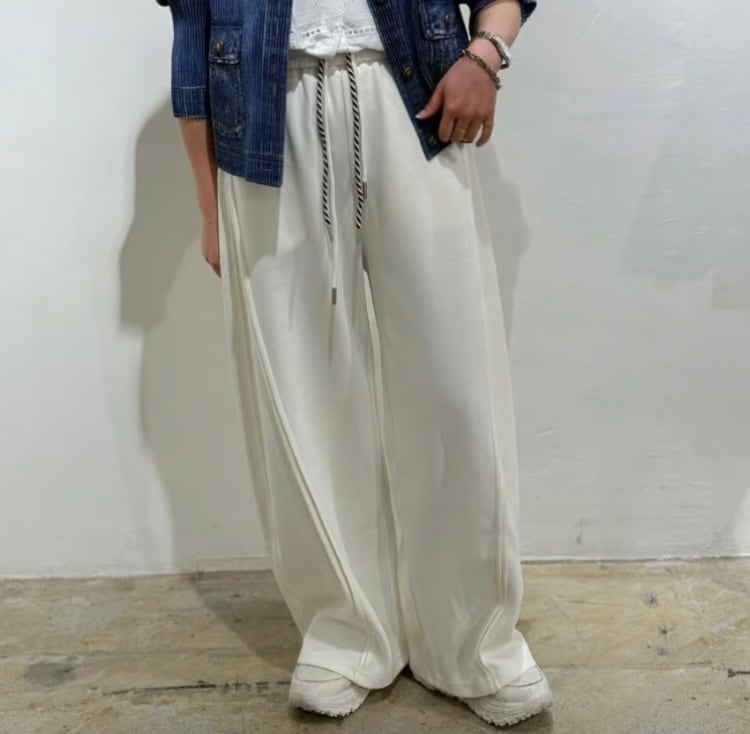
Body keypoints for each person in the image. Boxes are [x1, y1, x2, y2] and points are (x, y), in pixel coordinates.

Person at [157, 0, 552, 727]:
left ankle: (475, 641)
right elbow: (192, 33)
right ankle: (345, 631)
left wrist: (487, 54)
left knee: (455, 378)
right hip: (263, 121)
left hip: (416, 99)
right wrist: (209, 208)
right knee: (300, 389)